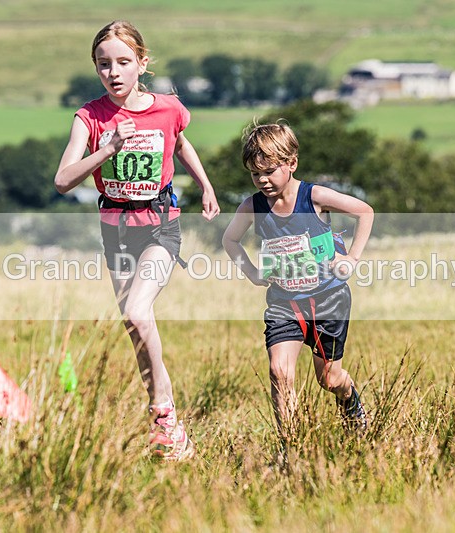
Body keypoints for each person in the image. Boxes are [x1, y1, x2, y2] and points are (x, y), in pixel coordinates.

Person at [55, 20, 219, 461]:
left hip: (160, 224)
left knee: (136, 311)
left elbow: (179, 143)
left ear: (142, 64)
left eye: (124, 62)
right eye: (104, 64)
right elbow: (62, 180)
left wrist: (205, 185)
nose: (114, 72)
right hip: (116, 229)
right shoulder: (89, 117)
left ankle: (164, 414)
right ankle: (166, 427)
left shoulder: (168, 108)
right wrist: (106, 149)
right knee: (136, 327)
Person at [221, 122, 374, 440]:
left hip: (328, 299)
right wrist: (252, 272)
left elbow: (365, 212)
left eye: (269, 171)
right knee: (279, 370)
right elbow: (230, 240)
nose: (262, 180)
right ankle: (291, 447)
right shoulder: (252, 206)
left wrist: (351, 259)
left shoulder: (314, 196)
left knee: (330, 379)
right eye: (255, 174)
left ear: (291, 163)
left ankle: (352, 406)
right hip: (284, 302)